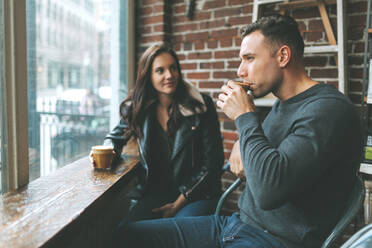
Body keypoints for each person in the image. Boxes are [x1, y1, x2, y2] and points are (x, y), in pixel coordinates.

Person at [114, 14, 363, 248]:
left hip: (273, 241)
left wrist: (244, 117)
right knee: (125, 237)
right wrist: (244, 139)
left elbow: (267, 190)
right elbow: (251, 163)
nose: (240, 71)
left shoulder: (328, 110)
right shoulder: (283, 104)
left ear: (283, 56)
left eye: (249, 58)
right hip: (234, 225)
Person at [91, 43, 224, 223]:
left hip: (195, 194)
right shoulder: (138, 109)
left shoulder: (201, 105)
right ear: (148, 76)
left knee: (178, 233)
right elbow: (114, 139)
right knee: (124, 234)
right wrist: (106, 152)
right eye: (160, 70)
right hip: (154, 193)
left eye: (173, 68)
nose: (169, 75)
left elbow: (212, 164)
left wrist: (177, 204)